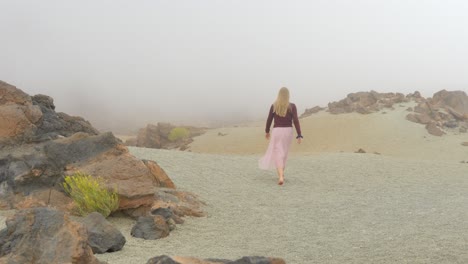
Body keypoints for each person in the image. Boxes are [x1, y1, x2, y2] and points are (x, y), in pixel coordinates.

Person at [259, 87, 302, 185]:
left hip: (277, 131)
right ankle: (282, 174)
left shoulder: (274, 106)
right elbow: (295, 120)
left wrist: (267, 131)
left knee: (278, 152)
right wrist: (299, 134)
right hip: (288, 131)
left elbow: (269, 119)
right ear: (288, 95)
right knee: (284, 153)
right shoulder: (292, 106)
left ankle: (281, 176)